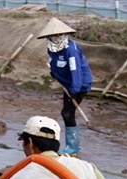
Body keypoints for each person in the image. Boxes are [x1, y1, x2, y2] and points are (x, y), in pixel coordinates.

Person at [38, 17, 92, 156]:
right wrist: (54, 73)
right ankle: (71, 146)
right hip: (67, 84)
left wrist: (74, 90)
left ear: (61, 35)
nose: (53, 38)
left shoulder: (71, 50)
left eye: (56, 35)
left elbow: (76, 71)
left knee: (67, 113)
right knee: (67, 113)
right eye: (51, 36)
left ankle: (73, 147)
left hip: (79, 85)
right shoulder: (52, 48)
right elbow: (54, 62)